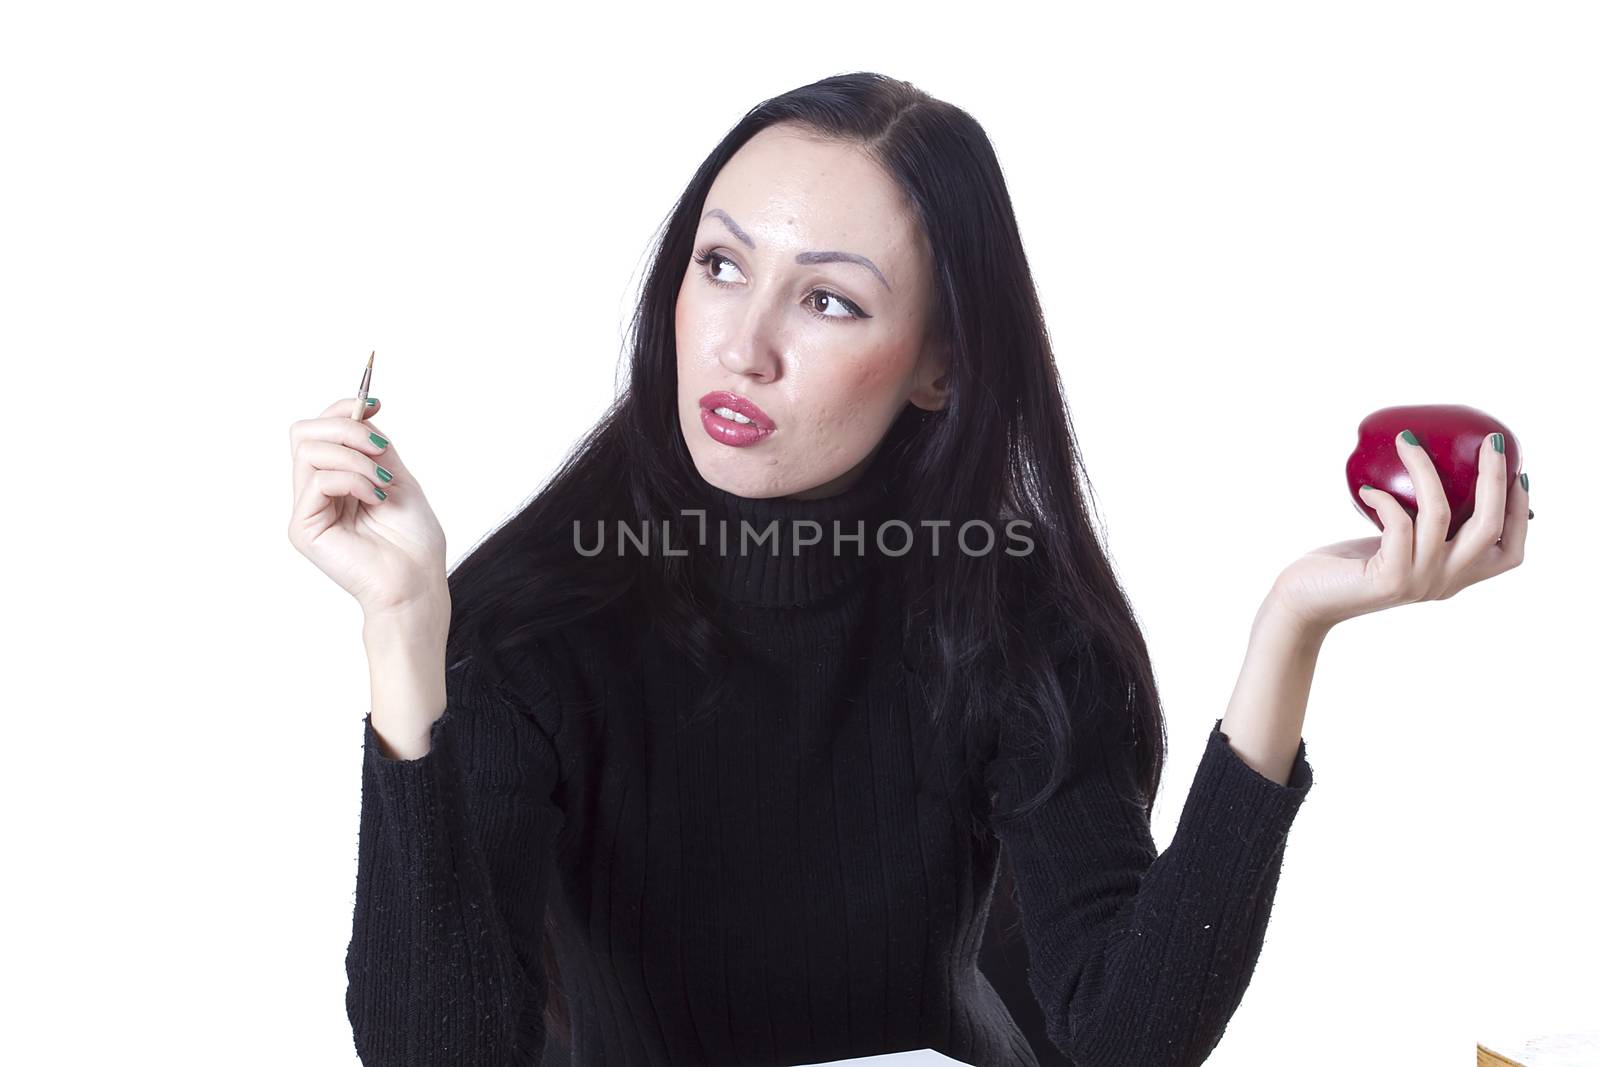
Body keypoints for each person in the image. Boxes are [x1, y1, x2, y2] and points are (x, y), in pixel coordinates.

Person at [287, 71, 1528, 1067]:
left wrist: (1290, 630)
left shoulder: (1016, 620)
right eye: (719, 267)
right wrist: (405, 630)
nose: (743, 346)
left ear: (939, 364)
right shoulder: (527, 619)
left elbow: (1121, 1037)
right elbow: (431, 1053)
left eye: (828, 302)